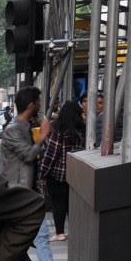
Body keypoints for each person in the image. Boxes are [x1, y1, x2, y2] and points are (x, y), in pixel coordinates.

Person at [0, 86, 66, 261]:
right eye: (38, 101)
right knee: (29, 234)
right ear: (31, 105)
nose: (40, 105)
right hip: (16, 193)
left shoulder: (26, 125)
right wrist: (43, 137)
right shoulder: (12, 130)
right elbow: (27, 155)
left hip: (28, 191)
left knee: (39, 233)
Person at [38, 101, 86, 241]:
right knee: (72, 203)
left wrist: (43, 172)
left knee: (58, 203)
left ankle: (60, 233)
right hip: (76, 173)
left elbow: (51, 155)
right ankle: (74, 230)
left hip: (57, 174)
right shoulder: (82, 130)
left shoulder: (59, 132)